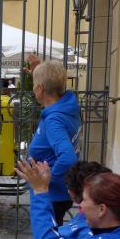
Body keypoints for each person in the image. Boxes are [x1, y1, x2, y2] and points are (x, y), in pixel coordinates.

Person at [28, 58, 81, 225]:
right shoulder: (65, 108)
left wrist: (45, 182)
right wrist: (39, 73)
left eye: (35, 86)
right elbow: (49, 97)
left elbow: (68, 158)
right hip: (59, 194)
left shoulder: (54, 120)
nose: (33, 89)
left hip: (52, 196)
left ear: (40, 88)